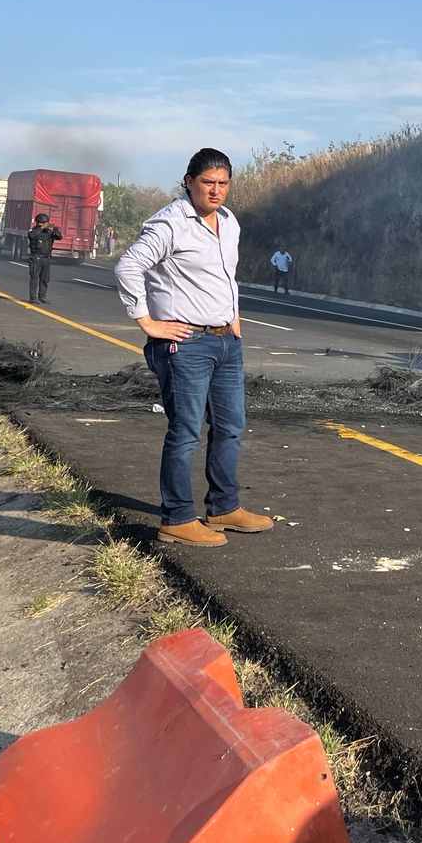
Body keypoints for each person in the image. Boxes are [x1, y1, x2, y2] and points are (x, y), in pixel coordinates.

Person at [114, 148, 271, 548]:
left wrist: (232, 318)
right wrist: (148, 322)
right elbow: (128, 266)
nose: (216, 191)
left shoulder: (230, 222)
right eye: (207, 183)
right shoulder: (170, 224)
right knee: (185, 431)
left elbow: (227, 277)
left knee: (231, 427)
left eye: (223, 183)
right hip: (186, 346)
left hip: (225, 343)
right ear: (189, 181)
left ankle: (223, 507)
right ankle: (177, 518)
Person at [27, 212, 64, 305]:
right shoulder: (33, 230)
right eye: (46, 223)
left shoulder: (49, 232)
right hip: (36, 257)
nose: (48, 224)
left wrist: (55, 230)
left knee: (45, 278)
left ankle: (42, 296)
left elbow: (59, 237)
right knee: (34, 278)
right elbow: (32, 235)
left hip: (46, 258)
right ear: (41, 223)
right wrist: (41, 228)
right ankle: (33, 298)